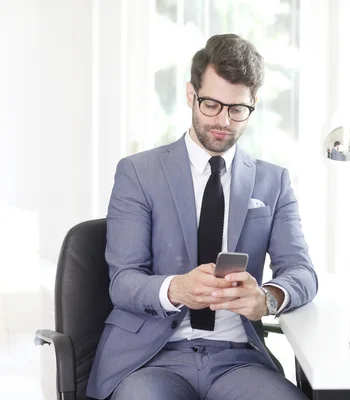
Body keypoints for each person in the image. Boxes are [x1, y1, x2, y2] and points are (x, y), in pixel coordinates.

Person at [86, 33, 318, 400]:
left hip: (238, 361)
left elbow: (303, 273)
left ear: (253, 103)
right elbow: (123, 281)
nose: (223, 120)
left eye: (237, 109)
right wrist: (175, 289)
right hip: (151, 360)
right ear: (191, 95)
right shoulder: (138, 172)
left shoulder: (274, 181)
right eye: (211, 104)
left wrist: (268, 299)